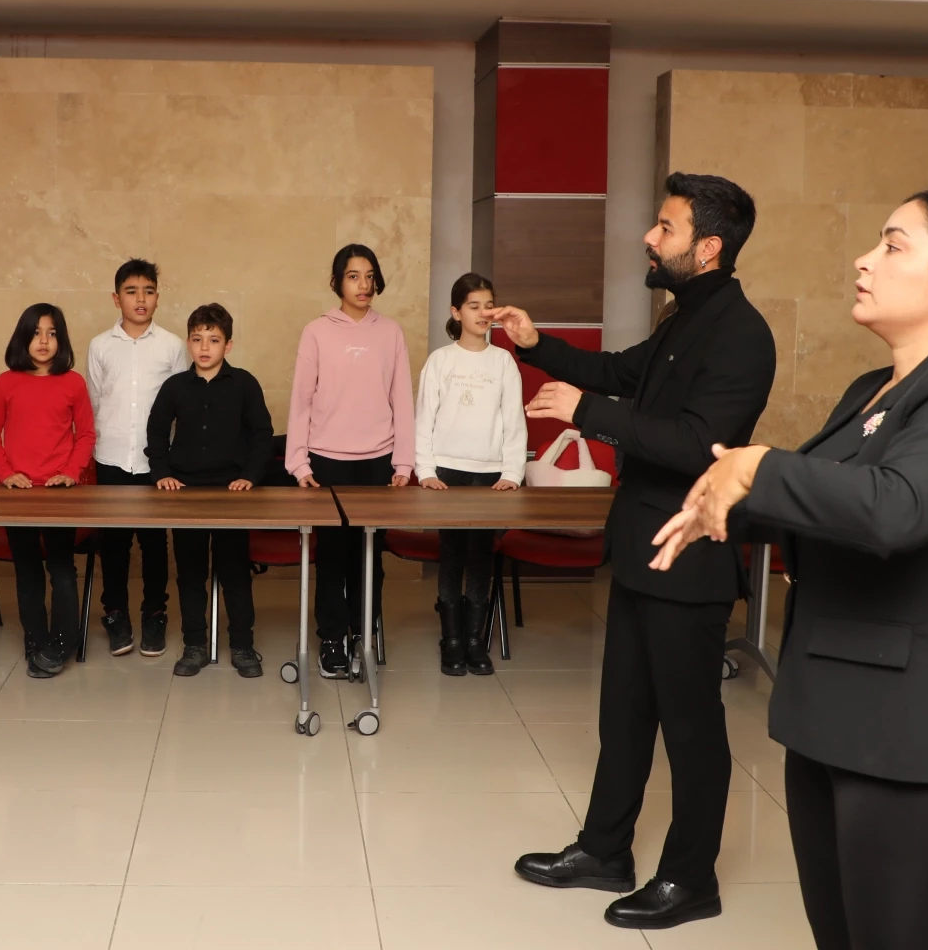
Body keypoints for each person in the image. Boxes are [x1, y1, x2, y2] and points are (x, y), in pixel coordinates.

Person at [650, 190, 928, 949]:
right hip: (828, 713)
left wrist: (758, 467)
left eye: (893, 246)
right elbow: (823, 503)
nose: (864, 260)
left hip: (903, 735)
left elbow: (898, 507)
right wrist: (723, 507)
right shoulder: (868, 390)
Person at [492, 173, 776, 930]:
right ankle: (604, 851)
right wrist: (535, 344)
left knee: (691, 730)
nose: (650, 237)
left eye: (666, 227)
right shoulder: (685, 319)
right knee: (623, 716)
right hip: (641, 549)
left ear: (707, 248)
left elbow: (695, 443)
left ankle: (691, 878)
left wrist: (587, 413)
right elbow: (621, 371)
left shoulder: (742, 335)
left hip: (689, 558)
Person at [285, 243, 414, 679]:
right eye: (354, 276)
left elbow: (402, 399)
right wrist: (299, 464)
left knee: (369, 557)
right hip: (327, 461)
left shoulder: (391, 332)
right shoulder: (316, 332)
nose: (364, 284)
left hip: (378, 462)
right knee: (332, 556)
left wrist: (403, 463)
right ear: (337, 282)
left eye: (369, 275)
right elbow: (301, 400)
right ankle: (331, 640)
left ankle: (362, 634)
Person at [145, 303, 273, 678]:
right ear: (188, 342)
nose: (205, 347)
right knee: (190, 573)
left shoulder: (245, 384)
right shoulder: (175, 387)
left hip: (233, 494)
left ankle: (243, 646)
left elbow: (262, 435)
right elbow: (156, 431)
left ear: (227, 346)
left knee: (235, 572)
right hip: (186, 493)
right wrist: (162, 473)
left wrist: (250, 476)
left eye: (213, 340)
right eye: (198, 339)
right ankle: (195, 645)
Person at [415, 272, 525, 677]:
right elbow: (424, 420)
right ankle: (451, 640)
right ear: (456, 312)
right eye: (473, 306)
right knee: (451, 555)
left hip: (490, 476)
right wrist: (425, 470)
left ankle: (475, 640)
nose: (483, 313)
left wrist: (512, 472)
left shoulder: (503, 362)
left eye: (488, 306)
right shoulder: (440, 361)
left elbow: (514, 422)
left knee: (481, 556)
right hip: (446, 474)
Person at [0, 303, 96, 678]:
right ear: (22, 338)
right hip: (18, 493)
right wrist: (5, 473)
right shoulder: (6, 383)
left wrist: (70, 472)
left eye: (52, 333)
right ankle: (36, 640)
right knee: (27, 569)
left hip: (60, 493)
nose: (44, 341)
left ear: (61, 340)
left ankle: (63, 643)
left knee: (61, 568)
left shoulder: (73, 383)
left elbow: (86, 434)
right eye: (35, 333)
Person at [87, 258, 188, 658]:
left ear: (158, 298)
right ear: (117, 298)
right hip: (111, 457)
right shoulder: (100, 346)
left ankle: (154, 613)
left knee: (154, 543)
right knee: (113, 543)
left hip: (155, 464)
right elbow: (96, 401)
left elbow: (181, 406)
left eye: (148, 291)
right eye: (131, 291)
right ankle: (114, 613)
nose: (140, 299)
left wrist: (169, 458)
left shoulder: (172, 346)